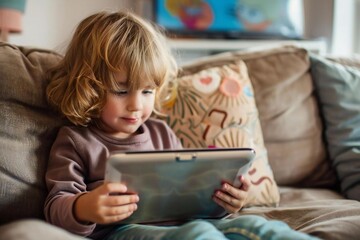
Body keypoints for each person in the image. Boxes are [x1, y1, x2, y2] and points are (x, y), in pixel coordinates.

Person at [44, 10, 319, 240]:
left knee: (259, 228)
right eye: (121, 90)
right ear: (88, 86)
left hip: (182, 225)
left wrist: (224, 202)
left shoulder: (162, 133)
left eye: (147, 91)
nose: (136, 105)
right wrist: (85, 208)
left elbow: (190, 196)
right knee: (198, 234)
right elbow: (57, 204)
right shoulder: (75, 140)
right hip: (122, 231)